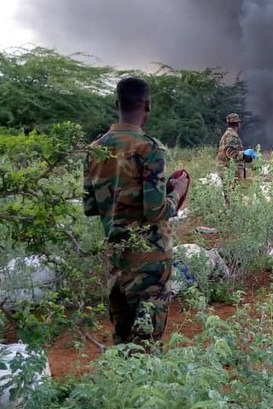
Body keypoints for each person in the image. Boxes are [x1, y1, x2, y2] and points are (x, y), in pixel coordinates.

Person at [83, 77, 189, 345]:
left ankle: (119, 385)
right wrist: (176, 190)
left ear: (117, 104)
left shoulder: (95, 150)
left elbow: (90, 206)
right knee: (146, 342)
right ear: (148, 105)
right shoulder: (149, 149)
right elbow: (155, 211)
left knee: (122, 336)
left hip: (116, 258)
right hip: (149, 261)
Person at [216, 113, 248, 180]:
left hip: (228, 172)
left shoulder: (228, 134)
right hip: (230, 173)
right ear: (238, 124)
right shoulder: (231, 135)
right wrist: (245, 154)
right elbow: (231, 153)